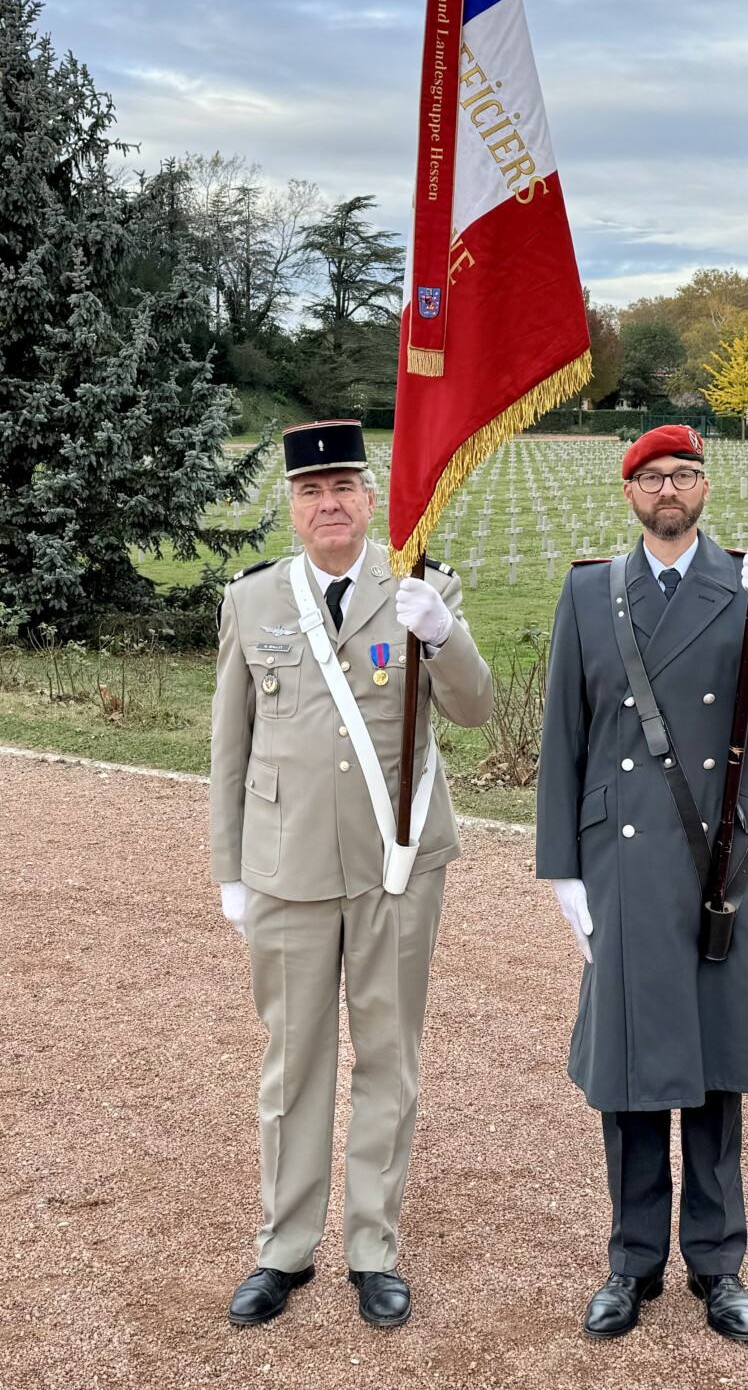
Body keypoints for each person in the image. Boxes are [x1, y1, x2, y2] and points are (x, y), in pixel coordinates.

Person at [536, 424, 748, 1345]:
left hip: (723, 865)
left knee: (714, 1072)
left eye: (685, 474)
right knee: (633, 1072)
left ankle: (717, 1264)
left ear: (705, 485)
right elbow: (565, 732)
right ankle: (632, 1262)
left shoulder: (747, 583)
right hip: (625, 867)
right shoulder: (591, 590)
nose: (670, 489)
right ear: (629, 491)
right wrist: (562, 866)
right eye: (652, 476)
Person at [210, 418, 492, 1331]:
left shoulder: (420, 584)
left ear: (371, 498)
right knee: (292, 1064)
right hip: (287, 869)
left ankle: (372, 1246)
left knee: (387, 1057)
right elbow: (229, 747)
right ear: (291, 507)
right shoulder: (252, 602)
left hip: (395, 867)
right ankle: (284, 1249)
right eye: (310, 491)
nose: (328, 504)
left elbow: (477, 709)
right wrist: (230, 870)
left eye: (344, 488)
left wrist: (440, 631)